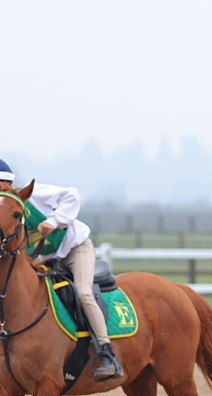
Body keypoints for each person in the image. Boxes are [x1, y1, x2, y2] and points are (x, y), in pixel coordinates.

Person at [0, 159, 123, 380]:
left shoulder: (35, 194)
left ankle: (106, 351)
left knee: (84, 293)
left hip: (74, 250)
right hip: (43, 259)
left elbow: (72, 195)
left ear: (7, 184)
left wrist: (54, 221)